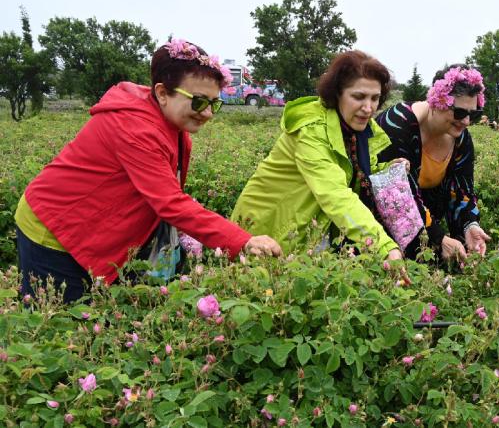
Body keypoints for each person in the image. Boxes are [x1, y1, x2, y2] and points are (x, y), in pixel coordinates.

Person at [15, 39, 282, 304]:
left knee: (97, 315)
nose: (209, 113)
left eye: (215, 103)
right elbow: (171, 203)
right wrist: (242, 241)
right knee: (63, 325)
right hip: (54, 229)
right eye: (199, 102)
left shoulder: (171, 124)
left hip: (92, 222)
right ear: (163, 93)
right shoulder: (135, 128)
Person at [231, 50, 404, 262]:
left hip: (306, 222)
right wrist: (384, 246)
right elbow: (334, 193)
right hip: (270, 224)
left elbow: (352, 170)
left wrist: (384, 169)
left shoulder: (357, 131)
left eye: (375, 98)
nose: (368, 108)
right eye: (358, 97)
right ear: (337, 93)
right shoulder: (312, 129)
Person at [376, 64, 491, 262]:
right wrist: (438, 238)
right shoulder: (397, 124)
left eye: (473, 114)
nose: (466, 122)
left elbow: (462, 191)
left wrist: (469, 225)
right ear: (437, 101)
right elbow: (396, 200)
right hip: (383, 227)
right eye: (459, 112)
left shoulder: (461, 138)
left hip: (427, 223)